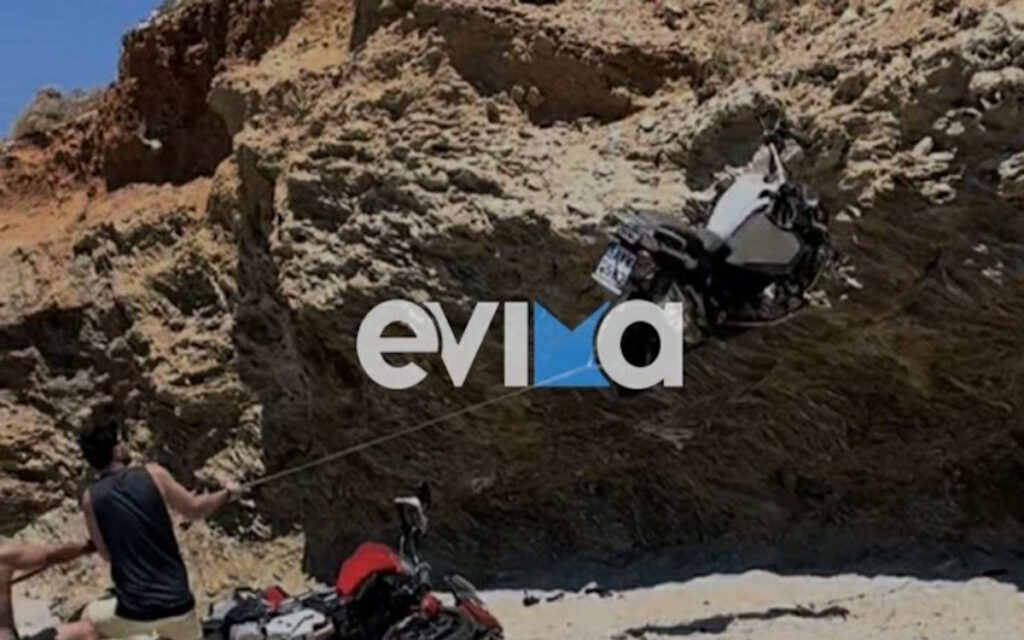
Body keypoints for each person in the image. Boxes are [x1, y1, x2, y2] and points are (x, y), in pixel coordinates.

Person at [76, 422, 240, 640]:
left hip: (135, 613)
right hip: (179, 607)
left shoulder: (90, 498)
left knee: (87, 619)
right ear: (116, 451)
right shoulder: (154, 474)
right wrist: (227, 494)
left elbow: (107, 554)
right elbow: (195, 509)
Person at [0, 540, 97, 640]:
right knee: (87, 630)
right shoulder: (3, 558)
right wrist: (88, 547)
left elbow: (50, 555)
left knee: (86, 630)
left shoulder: (3, 559)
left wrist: (89, 547)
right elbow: (51, 555)